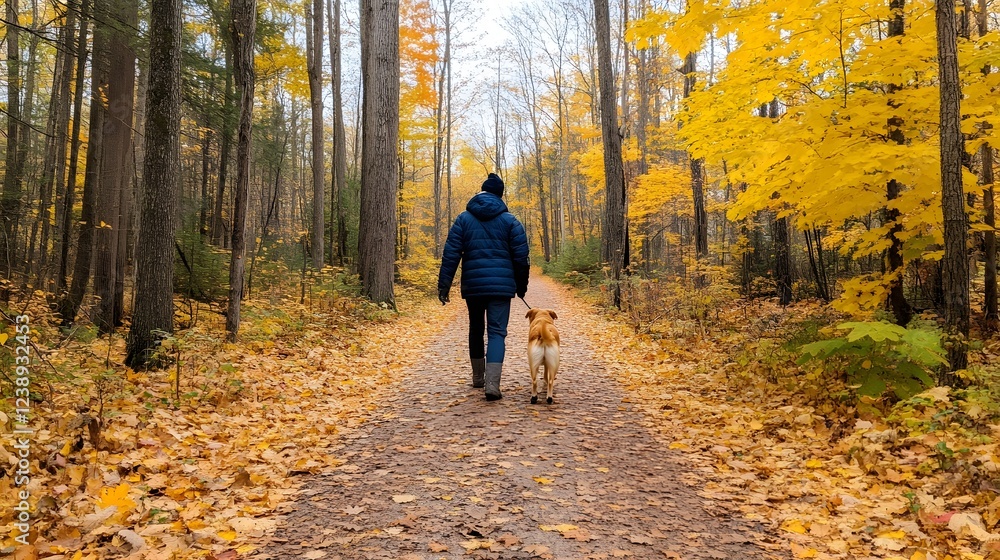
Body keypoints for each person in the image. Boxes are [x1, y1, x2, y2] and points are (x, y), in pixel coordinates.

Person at [438, 173, 529, 400]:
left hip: (474, 286)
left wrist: (444, 285)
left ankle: (478, 379)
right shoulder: (510, 221)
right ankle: (492, 385)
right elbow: (521, 257)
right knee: (497, 332)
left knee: (476, 329)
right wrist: (521, 285)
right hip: (501, 287)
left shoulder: (463, 219)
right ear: (500, 195)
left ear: (481, 192)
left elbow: (450, 254)